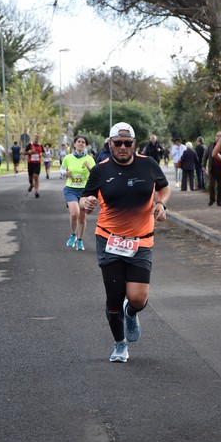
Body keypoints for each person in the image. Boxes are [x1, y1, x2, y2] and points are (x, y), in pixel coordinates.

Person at [79, 122, 171, 363]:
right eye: (117, 143)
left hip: (141, 241)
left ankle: (131, 312)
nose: (122, 147)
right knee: (114, 296)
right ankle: (120, 344)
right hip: (109, 240)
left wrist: (161, 204)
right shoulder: (100, 170)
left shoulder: (148, 165)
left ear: (134, 145)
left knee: (137, 298)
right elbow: (85, 198)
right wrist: (86, 203)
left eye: (127, 143)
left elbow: (164, 188)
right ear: (109, 144)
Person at [61, 135, 95, 251]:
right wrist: (65, 173)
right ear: (74, 144)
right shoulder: (68, 158)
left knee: (82, 217)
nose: (81, 144)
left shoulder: (89, 158)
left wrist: (89, 167)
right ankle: (73, 235)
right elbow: (62, 169)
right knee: (74, 213)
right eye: (79, 142)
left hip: (84, 191)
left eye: (83, 142)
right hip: (71, 189)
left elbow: (95, 175)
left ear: (85, 145)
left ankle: (80, 240)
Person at [203, 131, 221, 206]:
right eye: (217, 136)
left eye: (220, 136)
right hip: (212, 168)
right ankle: (212, 200)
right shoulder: (211, 145)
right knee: (211, 185)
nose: (219, 137)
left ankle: (220, 201)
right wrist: (204, 166)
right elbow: (205, 156)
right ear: (215, 137)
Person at [25, 134, 45, 198]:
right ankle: (31, 184)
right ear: (33, 138)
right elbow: (24, 152)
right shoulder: (30, 145)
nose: (36, 138)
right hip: (30, 163)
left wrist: (42, 154)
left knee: (36, 176)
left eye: (38, 137)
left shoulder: (40, 145)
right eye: (35, 137)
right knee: (30, 178)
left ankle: (36, 192)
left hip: (37, 163)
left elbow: (44, 153)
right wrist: (30, 152)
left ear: (39, 139)